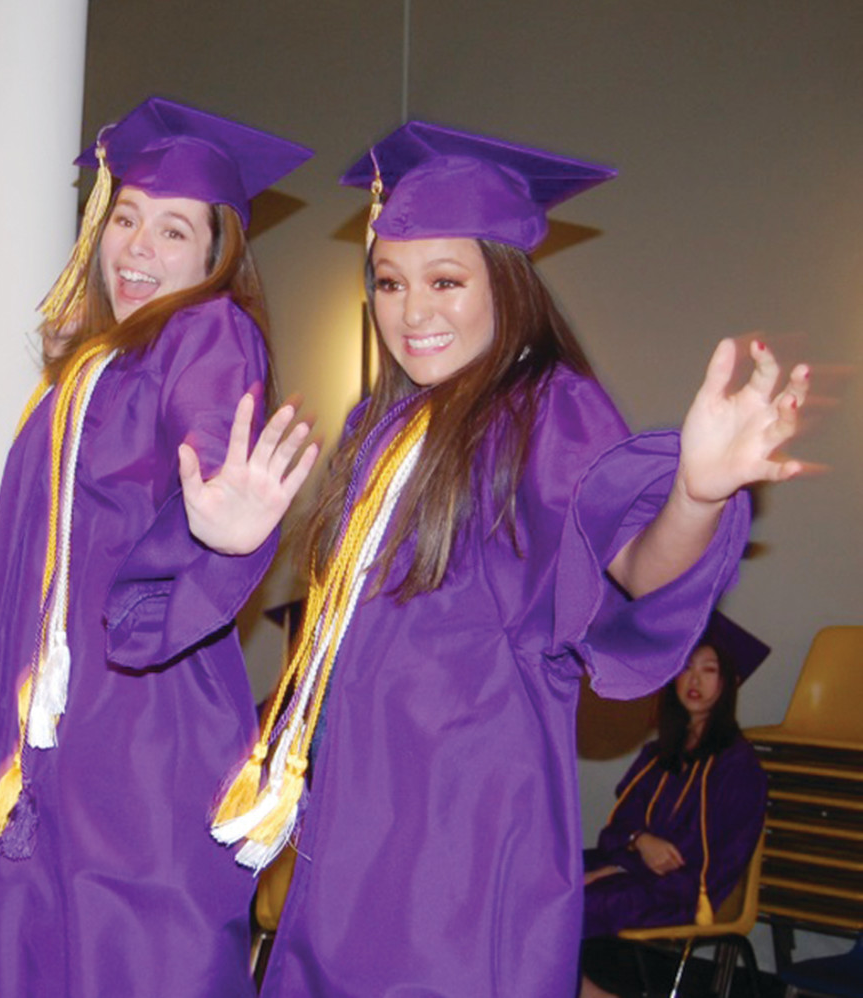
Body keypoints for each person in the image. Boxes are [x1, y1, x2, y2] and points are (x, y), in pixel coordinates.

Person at [214, 121, 810, 997]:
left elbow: (636, 567)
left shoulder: (545, 410)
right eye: (389, 281)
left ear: (506, 282)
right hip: (355, 811)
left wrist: (698, 492)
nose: (413, 312)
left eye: (445, 281)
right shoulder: (378, 429)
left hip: (465, 819)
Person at [0, 97, 318, 998]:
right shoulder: (83, 372)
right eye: (125, 220)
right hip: (60, 748)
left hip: (144, 745)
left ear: (216, 253)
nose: (139, 250)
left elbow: (209, 446)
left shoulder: (207, 332)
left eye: (174, 230)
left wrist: (227, 541)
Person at [579, 614, 769, 998]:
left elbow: (695, 859)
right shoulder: (657, 755)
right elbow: (616, 832)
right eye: (685, 667)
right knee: (540, 878)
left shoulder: (737, 766)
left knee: (573, 902)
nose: (694, 680)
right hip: (635, 874)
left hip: (686, 891)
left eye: (709, 669)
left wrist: (618, 866)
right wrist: (637, 842)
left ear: (730, 683)